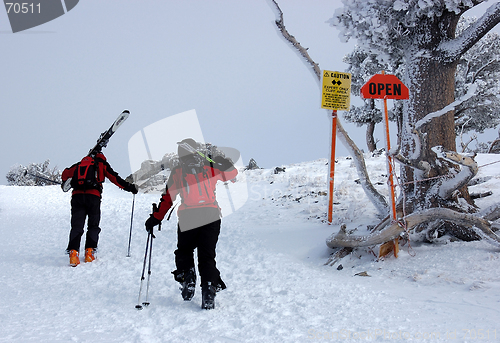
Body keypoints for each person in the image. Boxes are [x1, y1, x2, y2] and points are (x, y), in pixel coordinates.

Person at [145, 138, 238, 310]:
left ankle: (188, 277)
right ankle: (209, 292)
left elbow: (168, 198)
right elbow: (232, 174)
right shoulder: (209, 167)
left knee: (184, 251)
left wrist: (156, 217)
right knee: (207, 256)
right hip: (211, 215)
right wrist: (222, 162)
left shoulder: (178, 171)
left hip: (188, 216)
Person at [61, 151, 137, 267]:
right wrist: (130, 188)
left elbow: (65, 174)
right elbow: (114, 178)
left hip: (77, 196)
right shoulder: (101, 164)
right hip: (93, 197)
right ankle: (89, 253)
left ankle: (73, 254)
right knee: (93, 224)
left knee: (77, 225)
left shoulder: (79, 164)